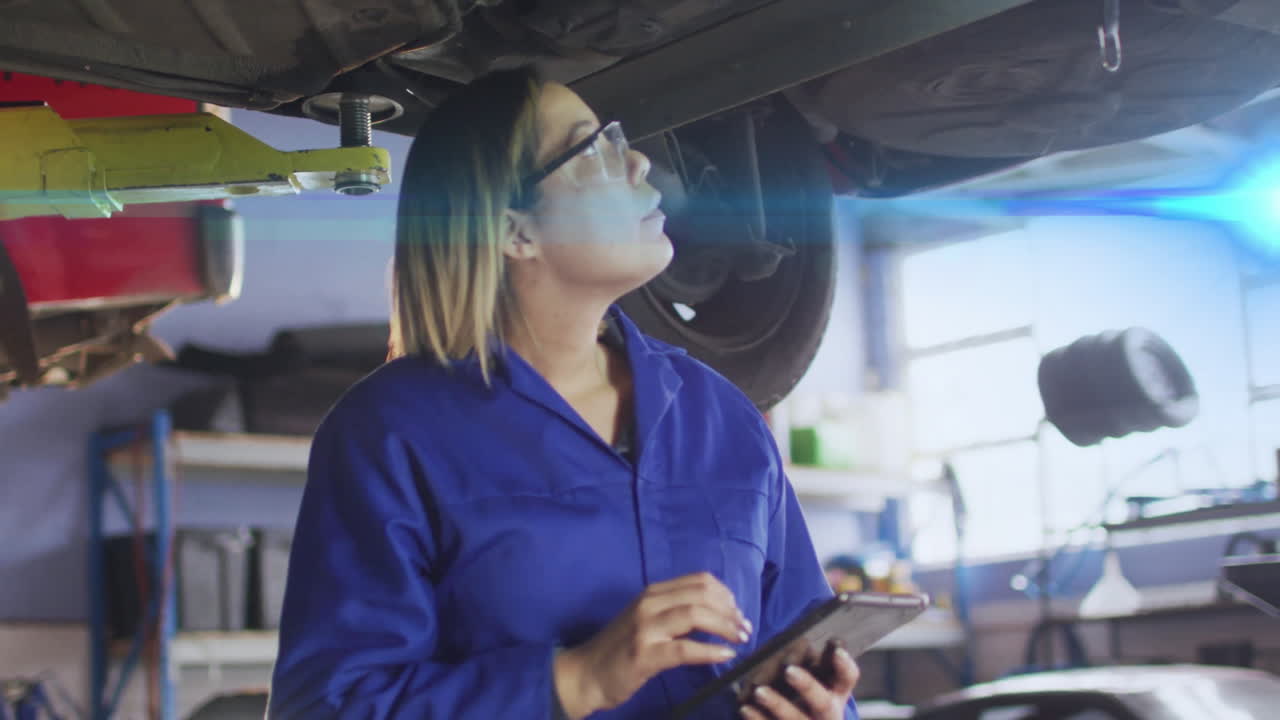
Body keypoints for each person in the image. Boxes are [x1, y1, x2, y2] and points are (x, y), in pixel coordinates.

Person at [267, 67, 860, 719]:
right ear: (512, 228)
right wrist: (574, 680)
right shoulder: (391, 432)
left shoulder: (720, 415)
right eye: (594, 151)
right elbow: (325, 707)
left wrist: (822, 710)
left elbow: (799, 645)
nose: (637, 162)